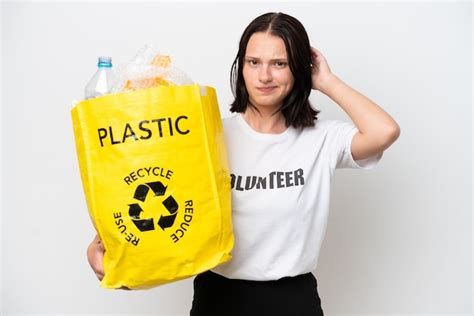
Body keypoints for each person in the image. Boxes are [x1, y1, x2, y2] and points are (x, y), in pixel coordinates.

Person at [87, 12, 400, 316]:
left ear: (299, 70)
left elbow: (384, 131)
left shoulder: (322, 139)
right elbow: (165, 200)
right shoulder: (209, 135)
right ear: (242, 67)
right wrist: (109, 249)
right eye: (254, 62)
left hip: (293, 301)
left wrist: (327, 81)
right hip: (218, 297)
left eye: (280, 63)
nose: (264, 76)